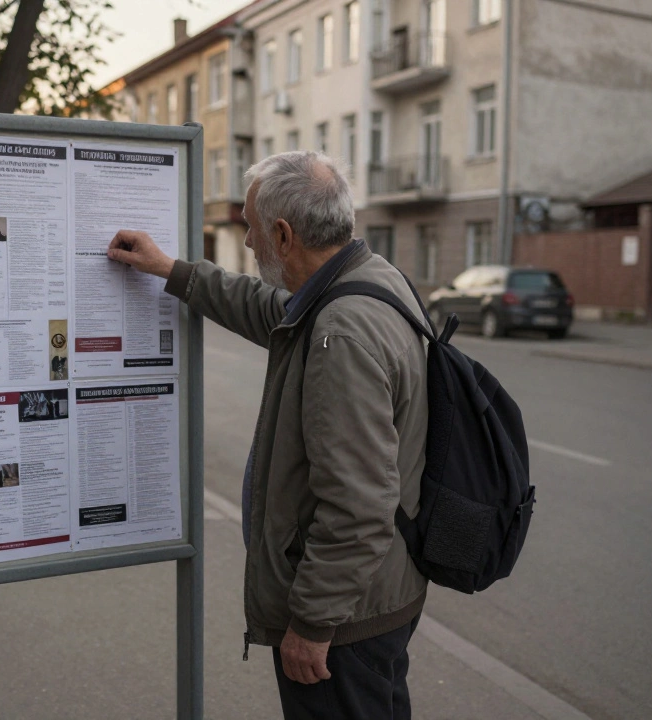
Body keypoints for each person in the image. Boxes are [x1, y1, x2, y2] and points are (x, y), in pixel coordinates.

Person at [107, 151, 430, 719]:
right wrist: (171, 270)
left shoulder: (340, 333)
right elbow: (267, 308)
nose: (249, 242)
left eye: (252, 229)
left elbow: (358, 505)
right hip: (376, 595)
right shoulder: (366, 281)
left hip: (345, 623)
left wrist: (312, 623)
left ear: (283, 235)